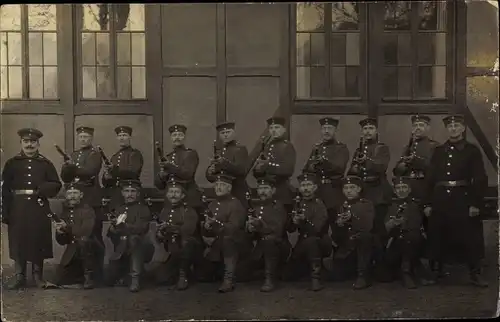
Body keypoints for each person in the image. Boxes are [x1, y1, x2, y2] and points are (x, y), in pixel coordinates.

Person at [423, 114, 488, 287]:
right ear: (447, 129)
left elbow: (480, 178)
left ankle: (475, 273)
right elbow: (430, 178)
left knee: (470, 235)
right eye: (450, 126)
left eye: (457, 126)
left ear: (463, 129)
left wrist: (475, 203)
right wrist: (428, 203)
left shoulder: (471, 151)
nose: (453, 129)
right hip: (440, 198)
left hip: (463, 198)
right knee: (437, 233)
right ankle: (436, 271)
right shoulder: (439, 151)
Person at [2, 128, 62, 289]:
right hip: (18, 207)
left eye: (32, 142)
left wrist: (43, 189)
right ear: (21, 143)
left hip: (38, 206)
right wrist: (5, 211)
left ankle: (38, 277)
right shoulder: (12, 163)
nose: (29, 145)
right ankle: (19, 276)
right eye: (26, 141)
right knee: (18, 240)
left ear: (38, 144)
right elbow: (5, 188)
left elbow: (57, 184)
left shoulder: (45, 163)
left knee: (38, 238)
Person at [392, 114, 441, 279]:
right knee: (411, 227)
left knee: (430, 228)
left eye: (421, 125)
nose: (418, 128)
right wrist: (403, 164)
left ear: (428, 128)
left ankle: (434, 264)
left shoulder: (434, 146)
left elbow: (435, 169)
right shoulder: (408, 146)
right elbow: (396, 171)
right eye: (415, 125)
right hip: (410, 190)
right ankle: (413, 263)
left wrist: (417, 160)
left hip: (425, 189)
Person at [347, 117, 392, 275]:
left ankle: (381, 266)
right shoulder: (358, 150)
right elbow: (351, 172)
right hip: (364, 190)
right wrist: (356, 167)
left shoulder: (382, 148)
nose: (367, 132)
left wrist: (366, 161)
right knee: (364, 228)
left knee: (379, 230)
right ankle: (363, 265)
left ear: (376, 131)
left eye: (370, 129)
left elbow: (381, 166)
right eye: (365, 129)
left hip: (378, 191)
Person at [60, 126, 104, 283]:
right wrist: (67, 168)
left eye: (86, 137)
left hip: (92, 200)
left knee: (94, 236)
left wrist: (72, 168)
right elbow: (65, 177)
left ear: (91, 138)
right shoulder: (74, 154)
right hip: (76, 201)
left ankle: (97, 274)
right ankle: (78, 273)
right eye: (81, 137)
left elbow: (90, 172)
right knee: (76, 235)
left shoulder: (95, 154)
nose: (83, 139)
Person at [197, 174, 249, 293]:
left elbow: (233, 228)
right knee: (203, 275)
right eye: (217, 185)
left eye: (222, 185)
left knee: (228, 241)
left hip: (235, 243)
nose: (218, 188)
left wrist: (215, 225)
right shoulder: (212, 204)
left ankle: (228, 280)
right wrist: (206, 227)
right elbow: (208, 229)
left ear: (229, 188)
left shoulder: (235, 204)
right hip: (217, 243)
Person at [302, 117, 350, 237]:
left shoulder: (341, 148)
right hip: (318, 192)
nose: (326, 131)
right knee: (318, 228)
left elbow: (339, 167)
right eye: (324, 128)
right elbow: (307, 169)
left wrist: (323, 162)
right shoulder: (316, 148)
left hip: (333, 192)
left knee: (338, 229)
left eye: (329, 128)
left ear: (335, 131)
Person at [283, 172, 331, 292]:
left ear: (315, 187)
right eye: (303, 185)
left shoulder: (319, 204)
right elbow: (290, 229)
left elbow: (317, 229)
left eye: (309, 185)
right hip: (302, 243)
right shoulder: (297, 204)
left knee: (311, 241)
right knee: (286, 276)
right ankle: (307, 268)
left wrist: (304, 221)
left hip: (320, 241)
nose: (306, 188)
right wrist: (293, 221)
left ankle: (316, 278)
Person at [104, 179, 153, 292]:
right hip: (121, 248)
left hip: (140, 247)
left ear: (138, 193)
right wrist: (113, 227)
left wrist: (124, 226)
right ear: (122, 193)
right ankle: (126, 275)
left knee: (134, 239)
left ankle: (135, 278)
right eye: (127, 191)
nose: (130, 194)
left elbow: (141, 229)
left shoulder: (143, 209)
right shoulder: (119, 209)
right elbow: (110, 234)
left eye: (133, 191)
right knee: (108, 279)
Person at [242, 176, 289, 292]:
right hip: (260, 248)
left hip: (278, 245)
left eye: (266, 188)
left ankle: (269, 279)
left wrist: (259, 225)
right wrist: (249, 229)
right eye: (260, 188)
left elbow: (277, 230)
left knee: (269, 241)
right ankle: (267, 271)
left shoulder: (278, 206)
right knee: (240, 275)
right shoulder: (254, 207)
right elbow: (250, 235)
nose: (262, 191)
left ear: (273, 190)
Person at [154, 177, 202, 290]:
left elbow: (188, 231)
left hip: (189, 249)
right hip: (173, 249)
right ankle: (180, 271)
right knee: (160, 278)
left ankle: (183, 275)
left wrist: (170, 228)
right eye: (171, 192)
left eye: (176, 192)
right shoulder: (165, 211)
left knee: (187, 244)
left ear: (183, 196)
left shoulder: (189, 211)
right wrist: (160, 234)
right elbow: (160, 235)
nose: (173, 195)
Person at [51, 182, 100, 289]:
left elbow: (85, 231)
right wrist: (60, 232)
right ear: (65, 195)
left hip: (89, 249)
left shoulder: (88, 210)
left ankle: (89, 277)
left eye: (75, 193)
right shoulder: (64, 212)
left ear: (81, 195)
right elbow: (62, 241)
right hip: (73, 249)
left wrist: (66, 227)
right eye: (69, 193)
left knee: (83, 241)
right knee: (59, 280)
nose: (72, 196)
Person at [330, 175, 374, 290]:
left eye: (352, 187)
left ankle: (362, 275)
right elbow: (335, 236)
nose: (349, 191)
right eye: (346, 188)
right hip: (347, 247)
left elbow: (367, 226)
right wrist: (339, 224)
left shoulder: (367, 204)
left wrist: (352, 216)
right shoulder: (340, 206)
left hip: (362, 246)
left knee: (365, 237)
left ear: (359, 189)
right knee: (336, 276)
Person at [383, 176, 424, 289]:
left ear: (409, 189)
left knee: (409, 238)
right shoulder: (389, 205)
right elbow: (383, 230)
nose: (401, 190)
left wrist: (403, 224)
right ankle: (401, 269)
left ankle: (406, 272)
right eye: (398, 188)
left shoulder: (416, 205)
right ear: (394, 190)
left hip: (412, 241)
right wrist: (391, 224)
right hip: (393, 242)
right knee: (384, 277)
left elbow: (417, 225)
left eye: (404, 187)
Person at [155, 124, 203, 218]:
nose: (177, 137)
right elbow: (160, 186)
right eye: (174, 135)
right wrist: (162, 175)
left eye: (180, 135)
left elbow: (188, 174)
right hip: (171, 199)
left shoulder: (191, 153)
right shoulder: (168, 157)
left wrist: (169, 166)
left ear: (184, 137)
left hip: (187, 197)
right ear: (171, 138)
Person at [253, 117, 296, 217]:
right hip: (266, 194)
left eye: (277, 127)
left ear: (283, 130)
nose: (273, 130)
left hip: (281, 191)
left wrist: (267, 166)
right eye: (271, 128)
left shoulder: (287, 146)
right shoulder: (266, 147)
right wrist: (258, 169)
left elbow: (288, 170)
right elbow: (257, 172)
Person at [206, 121, 249, 208]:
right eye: (222, 133)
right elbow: (212, 178)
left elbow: (242, 170)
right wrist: (210, 171)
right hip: (221, 192)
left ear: (234, 133)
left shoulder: (240, 149)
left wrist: (223, 162)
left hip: (237, 191)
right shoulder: (219, 151)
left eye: (228, 132)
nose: (225, 135)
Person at [101, 126, 144, 211]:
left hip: (130, 193)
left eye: (124, 135)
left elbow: (133, 172)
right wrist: (106, 175)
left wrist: (114, 169)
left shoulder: (135, 154)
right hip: (116, 194)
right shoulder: (114, 157)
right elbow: (108, 183)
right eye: (120, 136)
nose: (122, 138)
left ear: (129, 137)